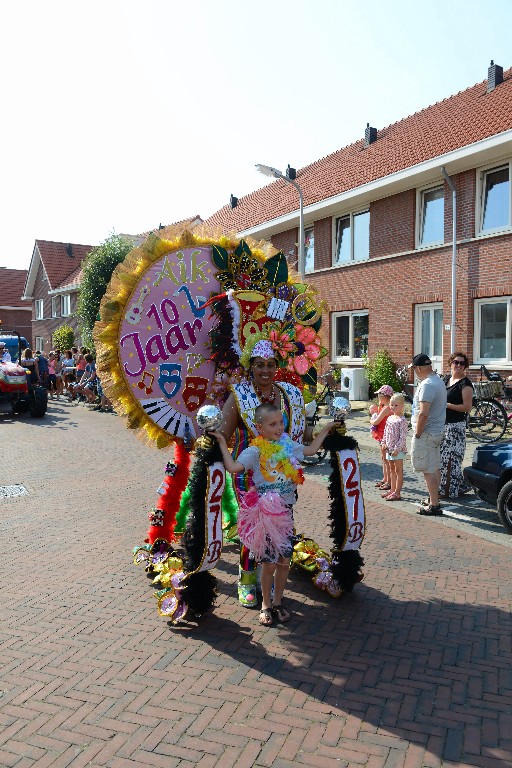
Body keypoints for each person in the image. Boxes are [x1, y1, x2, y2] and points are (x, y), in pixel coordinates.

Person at [213, 403, 335, 626]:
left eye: (281, 422)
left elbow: (309, 451)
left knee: (284, 563)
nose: (279, 427)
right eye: (273, 424)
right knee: (268, 564)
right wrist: (222, 444)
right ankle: (266, 605)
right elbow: (232, 467)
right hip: (266, 514)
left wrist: (326, 429)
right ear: (260, 427)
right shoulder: (255, 451)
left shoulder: (288, 445)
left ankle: (278, 602)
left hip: (285, 514)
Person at [219, 339, 312, 607]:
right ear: (251, 367)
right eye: (259, 365)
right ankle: (247, 579)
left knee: (281, 526)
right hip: (250, 475)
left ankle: (270, 578)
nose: (266, 371)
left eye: (271, 365)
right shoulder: (239, 396)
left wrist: (322, 432)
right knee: (254, 529)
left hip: (283, 479)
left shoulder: (289, 395)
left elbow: (303, 436)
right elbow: (223, 436)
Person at [409, 353, 447, 516]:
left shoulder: (427, 385)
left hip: (427, 433)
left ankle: (434, 505)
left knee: (427, 469)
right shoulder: (438, 381)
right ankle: (434, 498)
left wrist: (417, 433)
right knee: (435, 466)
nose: (414, 372)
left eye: (414, 369)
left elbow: (423, 413)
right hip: (437, 431)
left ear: (418, 368)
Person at [440, 352, 474, 499]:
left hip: (456, 427)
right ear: (450, 363)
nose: (458, 365)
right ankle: (459, 486)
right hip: (443, 425)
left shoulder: (466, 384)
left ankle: (449, 491)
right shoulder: (446, 379)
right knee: (442, 459)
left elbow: (467, 407)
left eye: (461, 363)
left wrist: (447, 405)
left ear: (465, 366)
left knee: (452, 460)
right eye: (456, 362)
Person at [381, 393, 408, 501]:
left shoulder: (402, 420)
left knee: (398, 470)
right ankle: (392, 490)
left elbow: (402, 437)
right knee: (391, 469)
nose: (393, 407)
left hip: (398, 450)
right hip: (389, 448)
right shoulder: (390, 418)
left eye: (396, 405)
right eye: (392, 405)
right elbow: (385, 432)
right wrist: (383, 442)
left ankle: (397, 492)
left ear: (402, 406)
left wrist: (397, 449)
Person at [370, 385, 393, 492]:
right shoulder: (385, 406)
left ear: (385, 396)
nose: (378, 397)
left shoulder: (386, 408)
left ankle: (389, 481)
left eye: (380, 395)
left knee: (387, 460)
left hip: (385, 436)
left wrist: (372, 417)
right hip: (382, 435)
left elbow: (376, 421)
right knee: (384, 458)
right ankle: (385, 479)